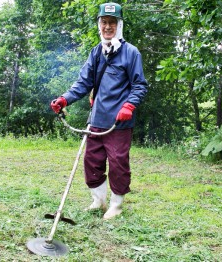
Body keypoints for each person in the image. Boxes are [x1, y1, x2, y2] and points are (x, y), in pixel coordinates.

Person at [50, 2, 148, 219]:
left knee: (118, 163)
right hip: (96, 121)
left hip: (119, 122)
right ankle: (99, 200)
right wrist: (64, 99)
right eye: (104, 22)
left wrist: (129, 105)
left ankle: (116, 205)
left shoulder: (131, 53)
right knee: (92, 161)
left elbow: (140, 85)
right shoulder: (96, 53)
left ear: (119, 25)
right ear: (99, 25)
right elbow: (83, 83)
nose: (107, 27)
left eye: (112, 22)